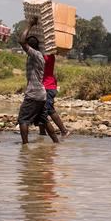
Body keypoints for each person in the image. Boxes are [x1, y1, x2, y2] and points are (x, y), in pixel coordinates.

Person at [17, 17, 58, 145]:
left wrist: (30, 25)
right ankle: (56, 143)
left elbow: (21, 41)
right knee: (43, 120)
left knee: (23, 120)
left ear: (31, 47)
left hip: (33, 94)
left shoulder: (36, 55)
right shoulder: (37, 56)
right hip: (41, 94)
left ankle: (25, 147)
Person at [38, 53, 70, 137]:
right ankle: (42, 133)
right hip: (46, 86)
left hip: (48, 87)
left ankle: (64, 131)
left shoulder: (46, 56)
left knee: (48, 109)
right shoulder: (48, 55)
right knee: (41, 110)